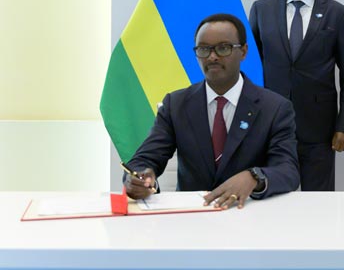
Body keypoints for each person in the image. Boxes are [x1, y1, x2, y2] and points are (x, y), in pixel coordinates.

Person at [124, 13, 299, 208]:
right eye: (204, 49)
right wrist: (140, 178)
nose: (212, 57)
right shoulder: (176, 104)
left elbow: (288, 170)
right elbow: (144, 159)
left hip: (248, 212)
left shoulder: (275, 108)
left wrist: (254, 177)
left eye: (223, 48)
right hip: (191, 215)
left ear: (243, 51)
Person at [248, 0, 344, 191]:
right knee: (273, 195)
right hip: (271, 124)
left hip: (319, 128)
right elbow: (250, 68)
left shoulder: (337, 14)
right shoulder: (261, 9)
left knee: (319, 200)